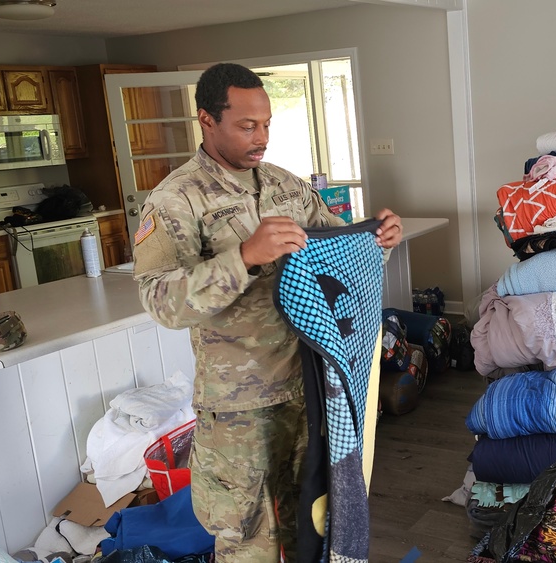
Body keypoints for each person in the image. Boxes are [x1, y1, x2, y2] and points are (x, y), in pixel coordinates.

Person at [132, 62, 402, 562]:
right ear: (207, 120)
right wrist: (243, 259)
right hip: (240, 408)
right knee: (248, 543)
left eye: (268, 124)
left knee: (314, 525)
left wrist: (377, 240)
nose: (262, 137)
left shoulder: (287, 186)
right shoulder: (175, 200)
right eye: (247, 125)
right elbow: (160, 302)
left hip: (310, 388)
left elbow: (335, 252)